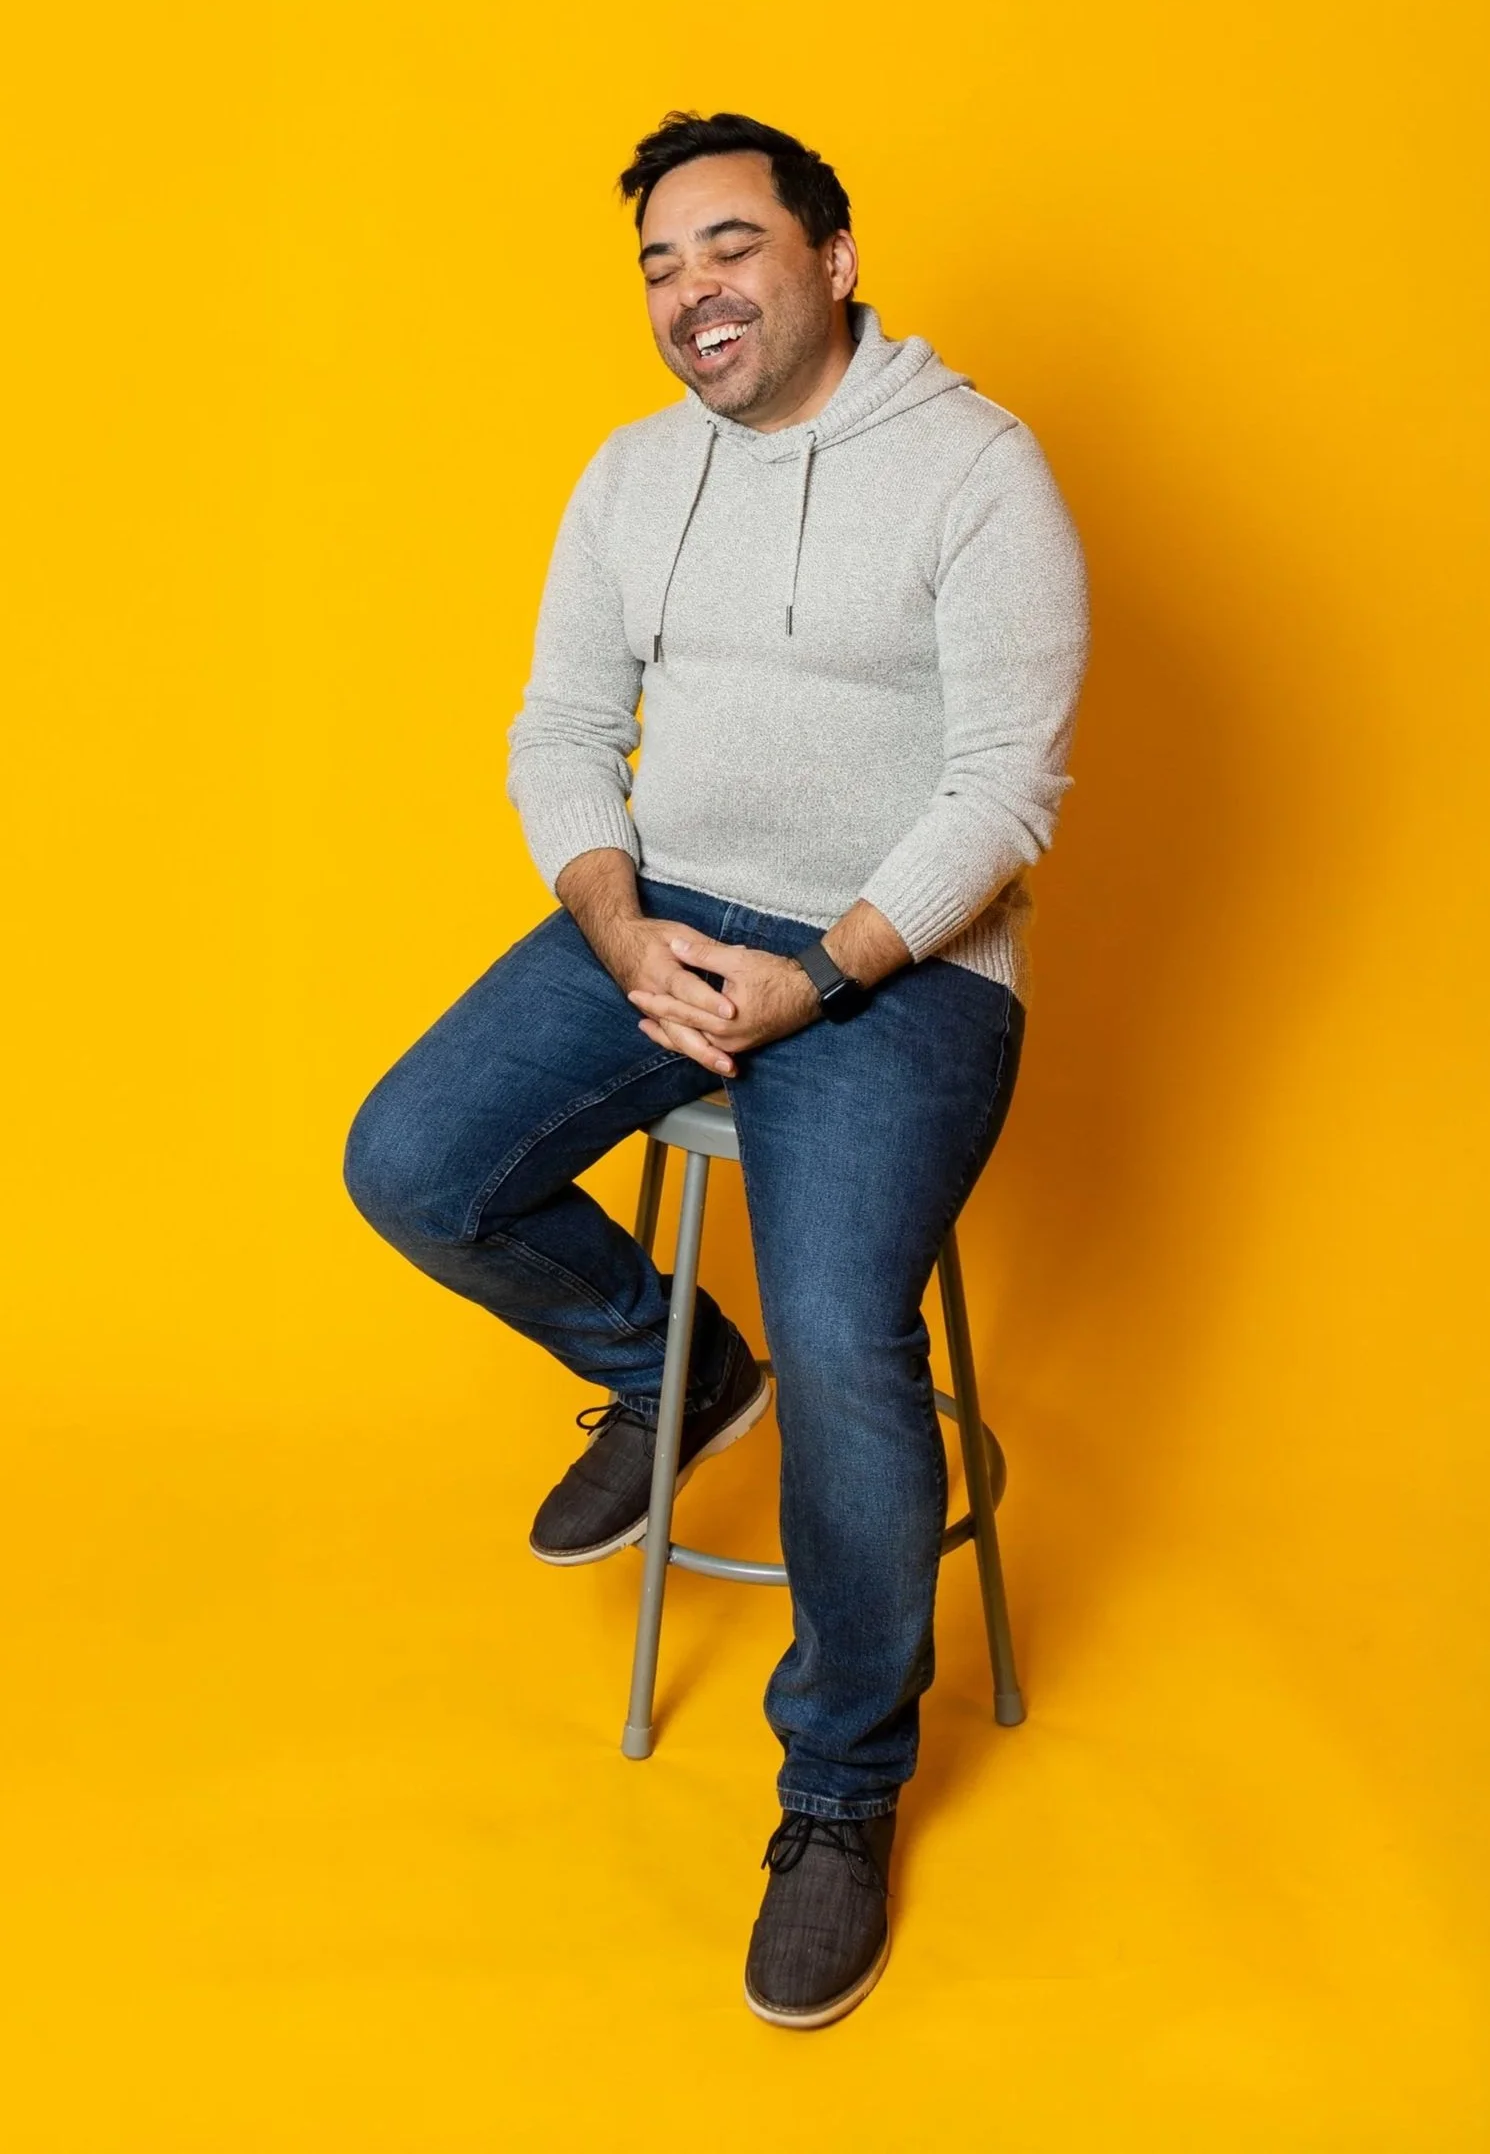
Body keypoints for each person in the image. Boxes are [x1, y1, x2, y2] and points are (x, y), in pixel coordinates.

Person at [343, 110, 1089, 2028]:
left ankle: (838, 1789)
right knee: (411, 1162)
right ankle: (672, 1370)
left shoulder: (978, 471)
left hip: (898, 957)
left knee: (851, 1339)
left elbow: (1004, 790)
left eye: (732, 247)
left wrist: (817, 974)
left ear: (834, 260)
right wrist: (620, 926)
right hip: (664, 914)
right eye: (663, 267)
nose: (695, 294)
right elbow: (559, 729)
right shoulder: (630, 473)